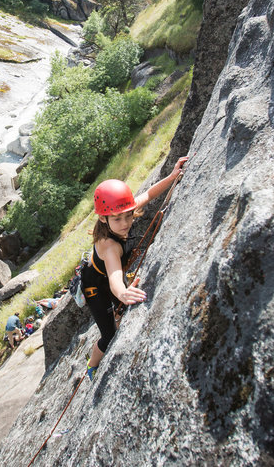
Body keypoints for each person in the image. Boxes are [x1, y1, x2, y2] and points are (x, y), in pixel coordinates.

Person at [82, 156, 188, 380]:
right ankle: (91, 366)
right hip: (96, 286)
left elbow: (148, 195)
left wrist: (172, 176)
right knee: (109, 334)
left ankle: (116, 311)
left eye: (129, 216)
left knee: (119, 311)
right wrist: (122, 293)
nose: (126, 223)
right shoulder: (110, 247)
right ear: (103, 219)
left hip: (110, 276)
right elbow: (114, 276)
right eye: (118, 219)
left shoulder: (119, 211)